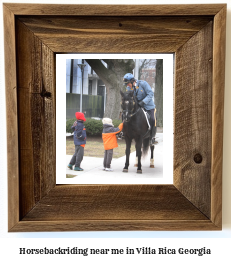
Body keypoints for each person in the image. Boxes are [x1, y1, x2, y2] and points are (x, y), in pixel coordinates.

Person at [123, 73, 157, 145]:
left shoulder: (143, 84)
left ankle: (152, 137)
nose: (127, 85)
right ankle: (124, 132)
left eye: (128, 83)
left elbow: (150, 93)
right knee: (126, 115)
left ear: (133, 81)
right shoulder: (128, 88)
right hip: (138, 106)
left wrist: (143, 102)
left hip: (148, 106)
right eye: (126, 84)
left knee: (153, 119)